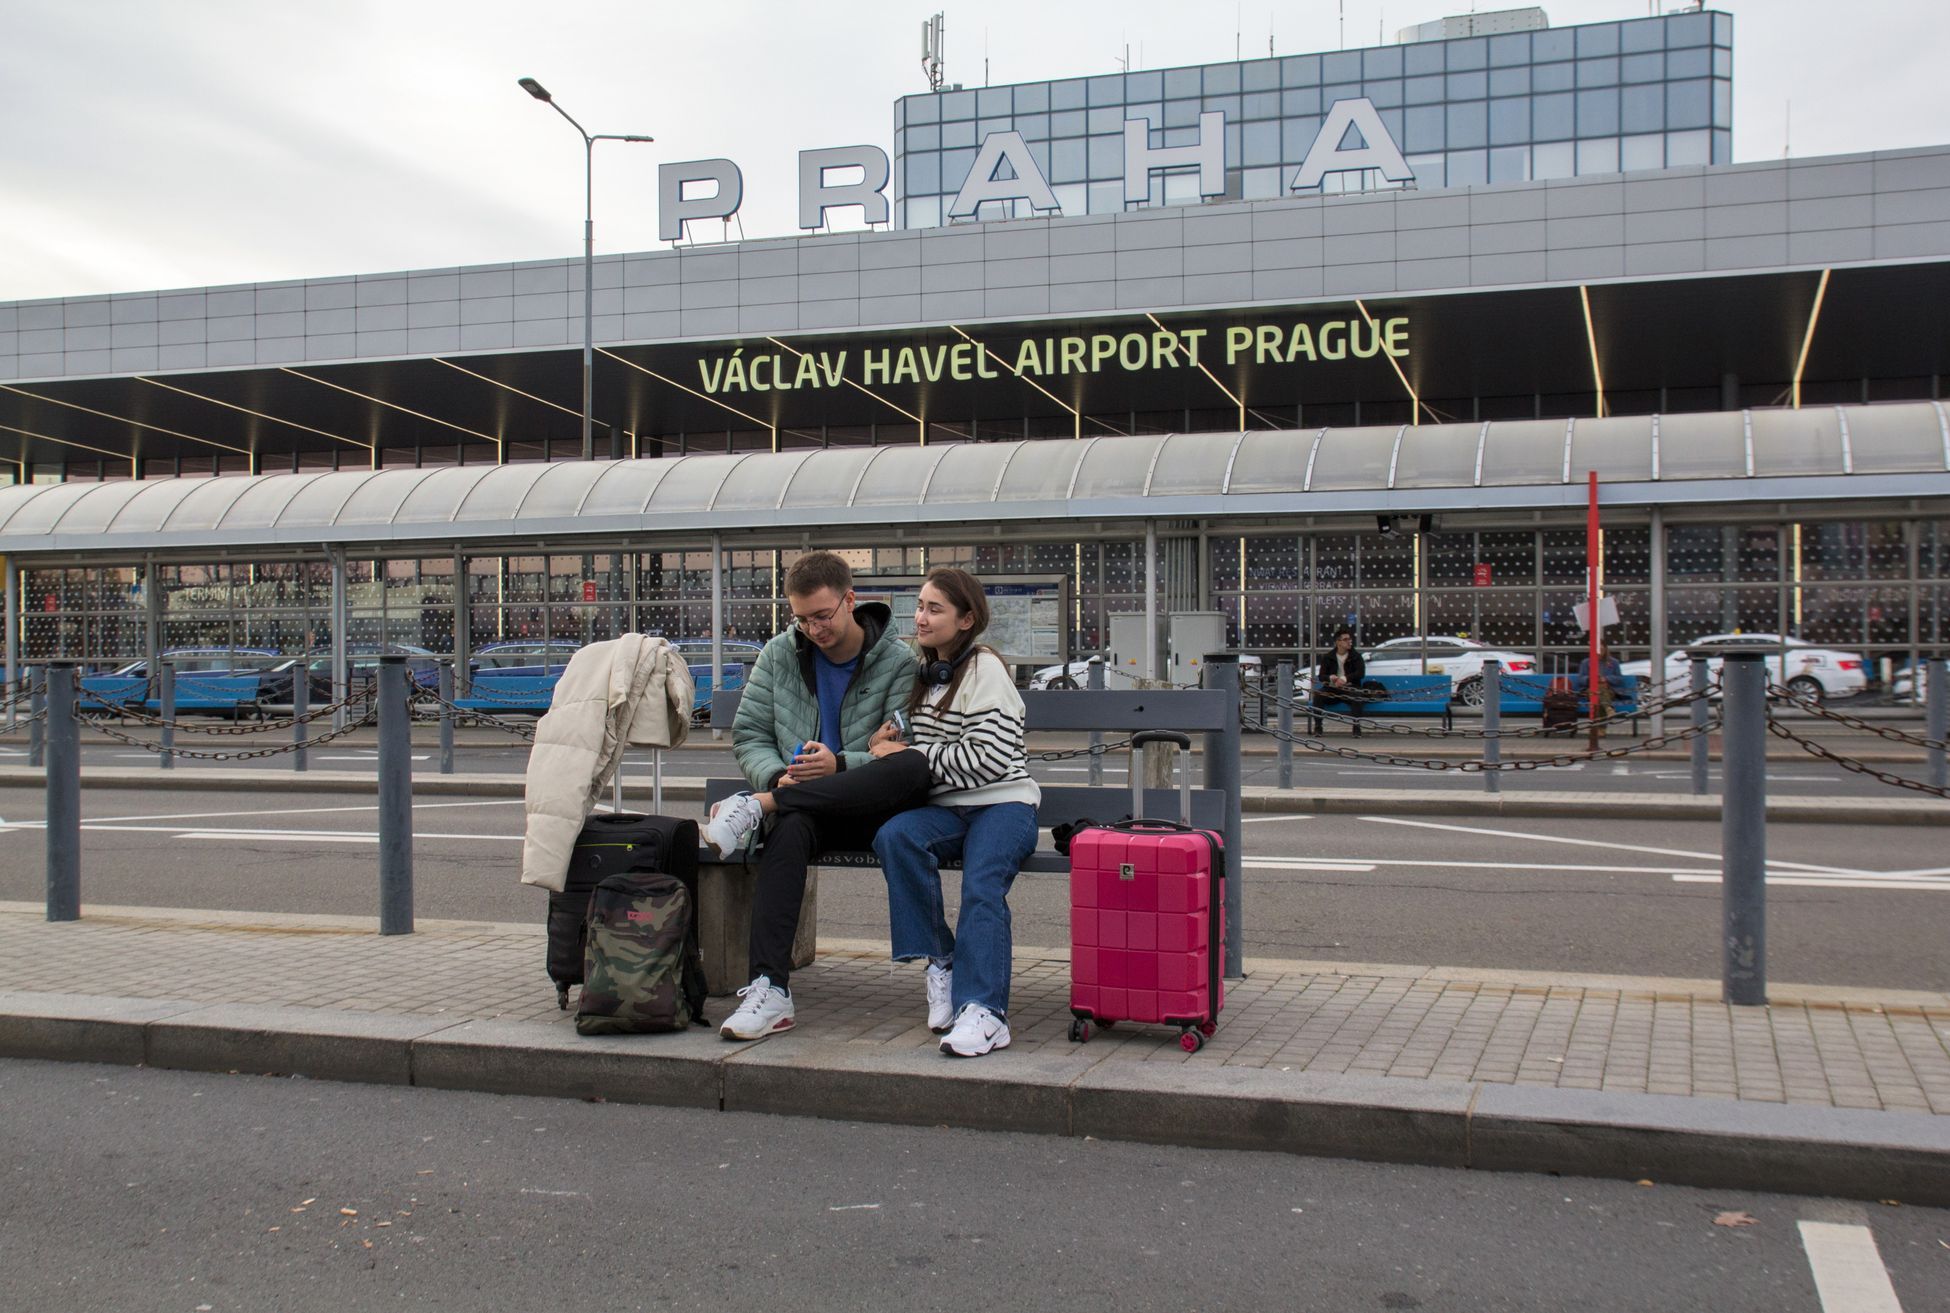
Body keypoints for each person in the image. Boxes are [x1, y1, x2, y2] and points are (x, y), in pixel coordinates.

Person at [704, 551, 921, 1041]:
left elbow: (903, 755)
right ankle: (770, 989)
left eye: (822, 616)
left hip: (874, 812)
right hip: (804, 805)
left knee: (786, 815)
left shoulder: (899, 661)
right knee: (790, 832)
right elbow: (750, 735)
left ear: (850, 601)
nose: (813, 629)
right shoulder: (780, 653)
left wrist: (840, 764)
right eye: (801, 618)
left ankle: (756, 808)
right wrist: (777, 775)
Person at [869, 568, 1041, 1058]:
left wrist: (908, 759)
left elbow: (985, 760)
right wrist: (891, 740)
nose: (920, 617)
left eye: (934, 609)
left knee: (982, 883)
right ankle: (942, 961)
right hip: (949, 809)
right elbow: (926, 749)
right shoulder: (928, 674)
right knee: (896, 837)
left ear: (967, 619)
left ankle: (985, 1012)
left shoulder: (985, 669)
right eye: (920, 606)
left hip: (1004, 804)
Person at [1309, 626, 1368, 737]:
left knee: (1356, 697)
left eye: (1350, 639)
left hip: (1350, 688)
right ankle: (1318, 727)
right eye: (1346, 639)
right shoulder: (1328, 657)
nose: (1349, 641)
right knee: (1318, 696)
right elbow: (1321, 676)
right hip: (1332, 689)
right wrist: (1330, 677)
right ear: (1338, 642)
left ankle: (1356, 728)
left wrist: (1345, 679)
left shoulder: (1356, 656)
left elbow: (1360, 673)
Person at [1573, 643, 1631, 720]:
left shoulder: (1614, 662)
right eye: (1597, 650)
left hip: (1609, 690)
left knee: (1600, 693)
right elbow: (1580, 679)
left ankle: (1598, 729)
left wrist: (1606, 679)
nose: (1599, 652)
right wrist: (1591, 679)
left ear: (1605, 650)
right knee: (1597, 691)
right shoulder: (1586, 662)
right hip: (1590, 690)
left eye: (1601, 650)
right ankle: (1608, 708)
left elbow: (1619, 679)